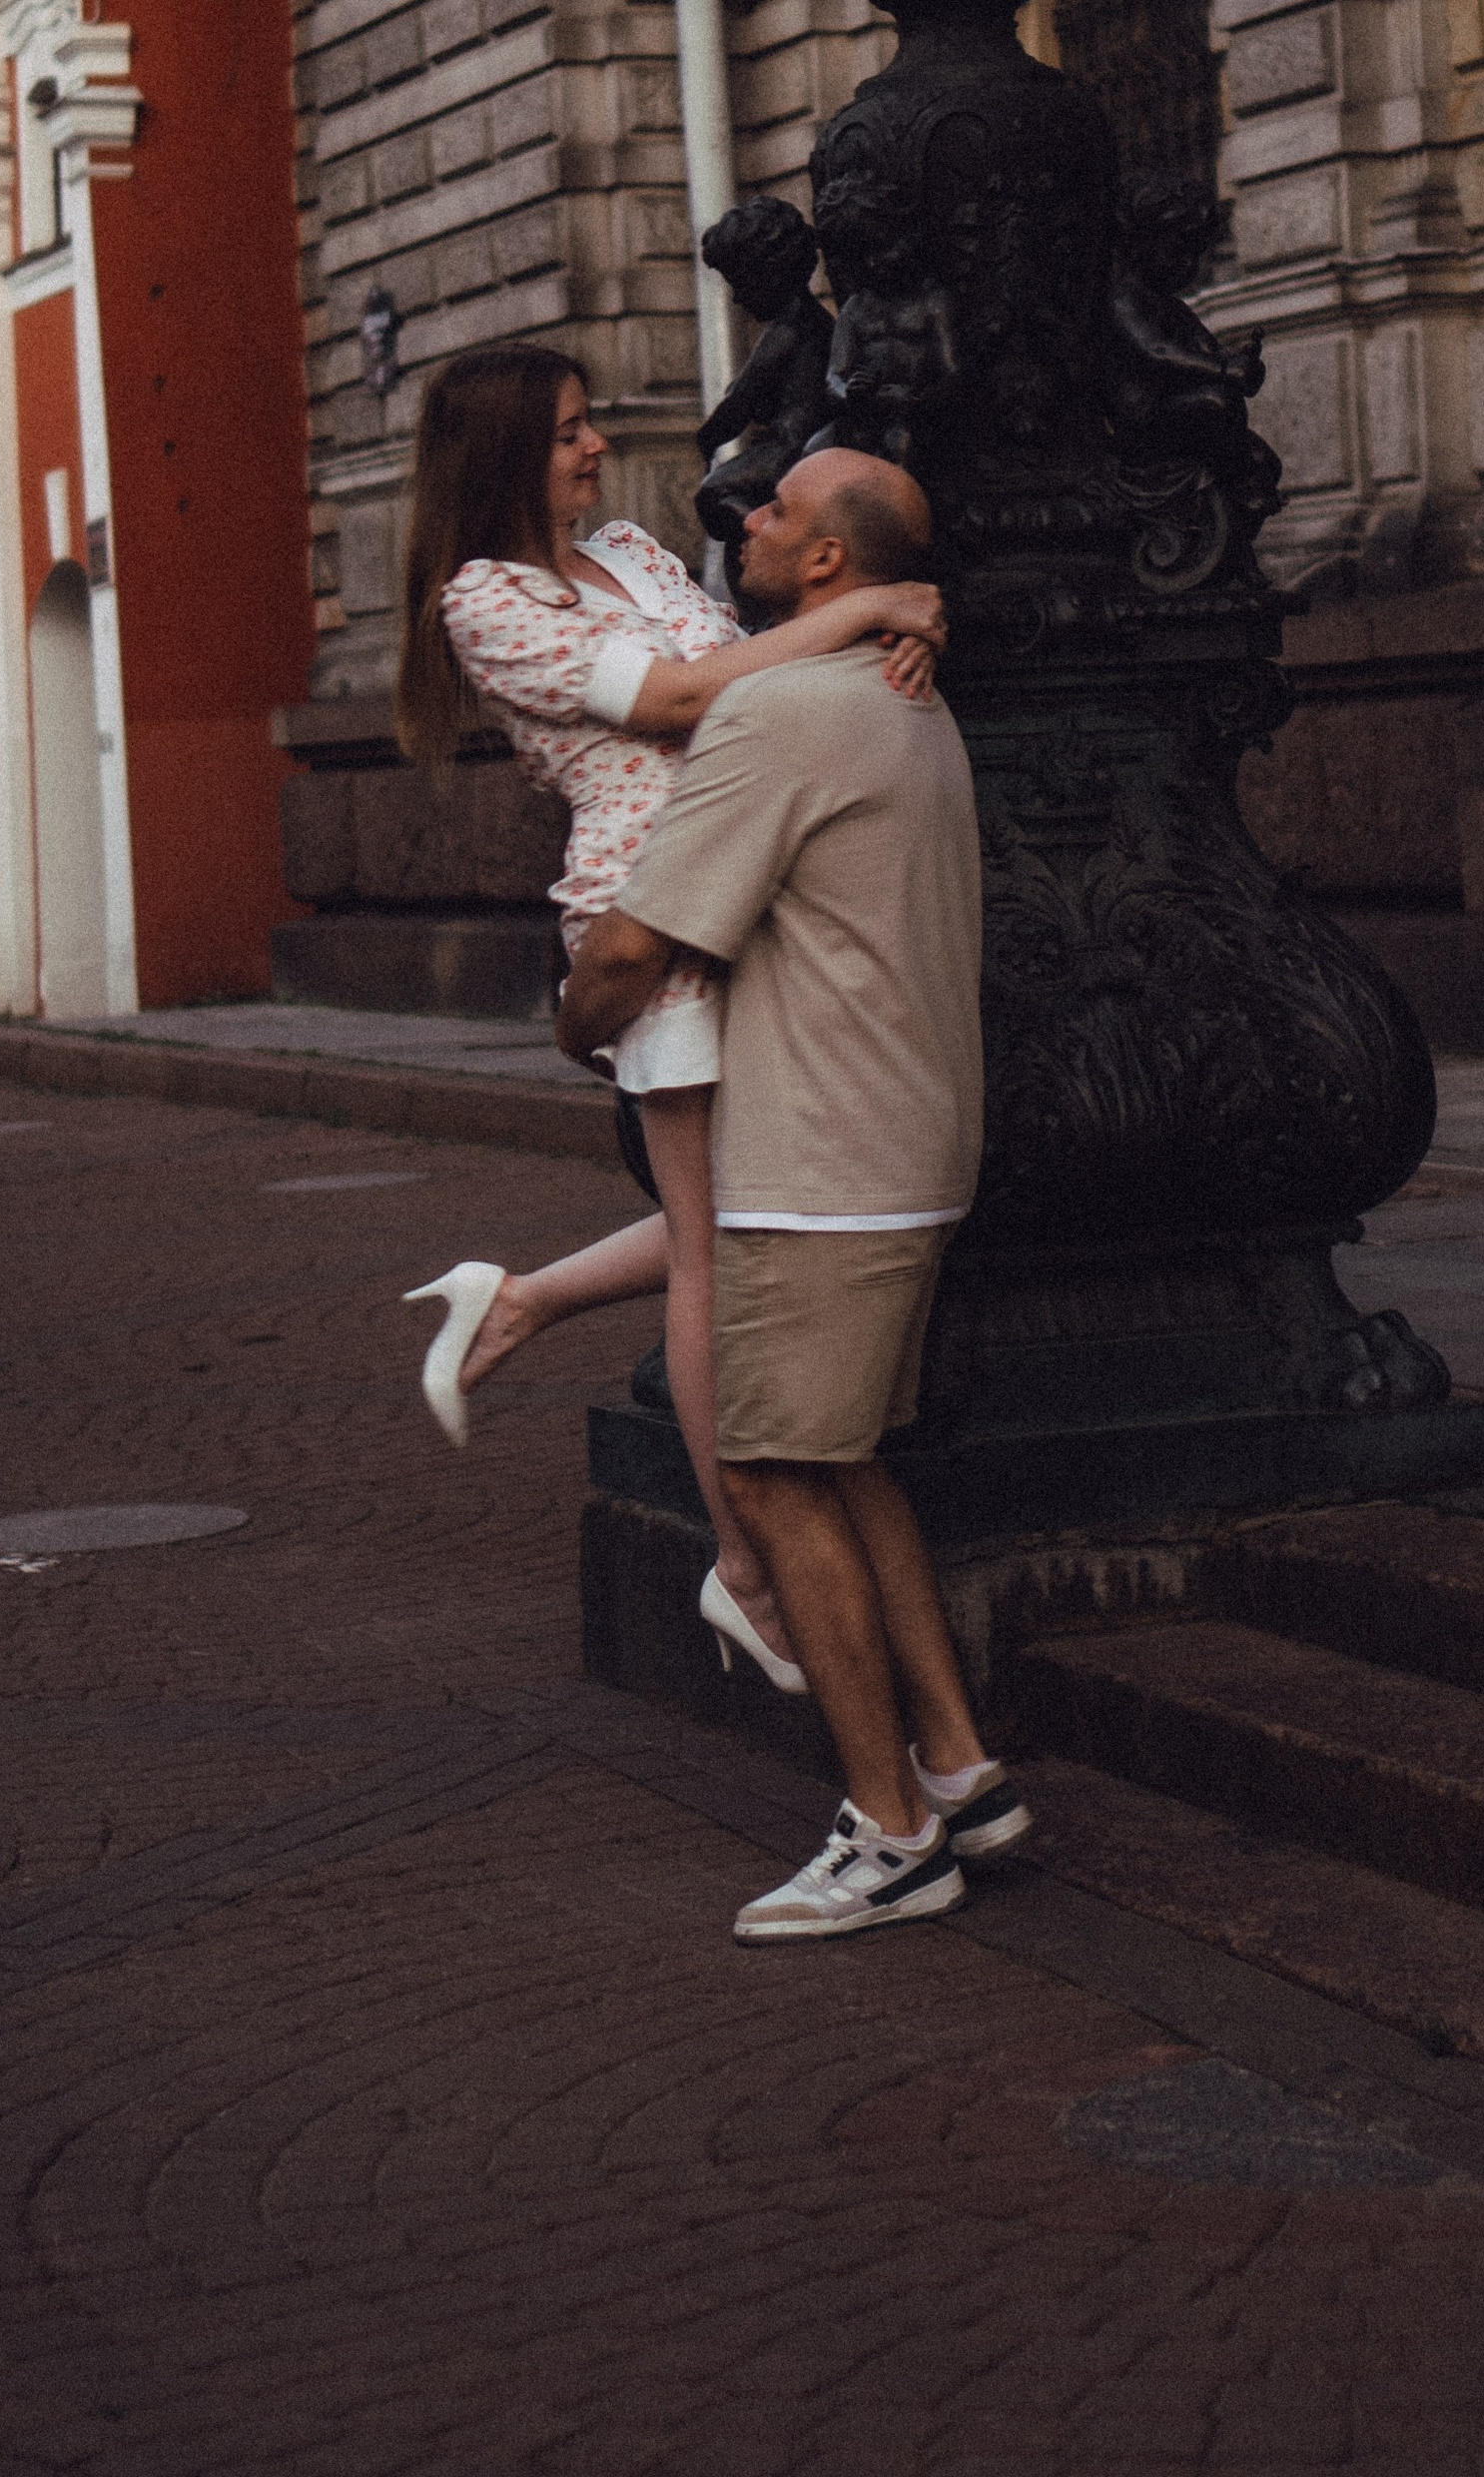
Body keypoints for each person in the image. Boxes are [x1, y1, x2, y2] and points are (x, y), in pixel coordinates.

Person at [394, 346, 945, 1696]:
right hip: (650, 918)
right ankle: (745, 1568)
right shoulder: (486, 601)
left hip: (754, 889)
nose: (597, 447)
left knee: (739, 1209)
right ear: (509, 453)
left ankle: (514, 1299)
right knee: (711, 1247)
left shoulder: (635, 553)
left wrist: (871, 626)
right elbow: (689, 698)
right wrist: (878, 605)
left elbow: (754, 673)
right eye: (572, 431)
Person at [557, 447, 1033, 1945]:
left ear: (830, 564)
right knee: (843, 1462)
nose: (743, 522)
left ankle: (888, 1834)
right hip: (903, 1144)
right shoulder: (907, 696)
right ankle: (958, 1774)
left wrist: (570, 1018)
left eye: (773, 513)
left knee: (764, 1472)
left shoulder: (779, 712)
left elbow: (639, 947)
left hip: (817, 1163)